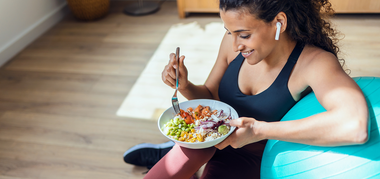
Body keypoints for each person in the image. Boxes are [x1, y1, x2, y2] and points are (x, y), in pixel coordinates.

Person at [124, 0, 369, 178]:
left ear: (279, 22)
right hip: (206, 139)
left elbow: (355, 127)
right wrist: (185, 85)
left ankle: (166, 154)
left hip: (253, 158)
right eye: (229, 32)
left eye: (243, 34)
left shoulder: (314, 63)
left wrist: (259, 130)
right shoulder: (233, 45)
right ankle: (168, 152)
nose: (234, 45)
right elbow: (211, 97)